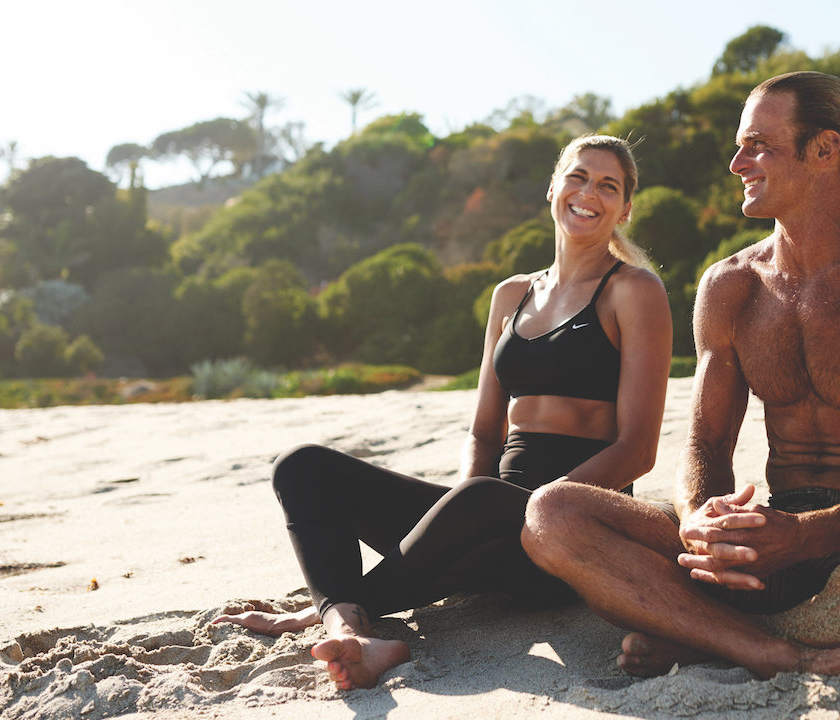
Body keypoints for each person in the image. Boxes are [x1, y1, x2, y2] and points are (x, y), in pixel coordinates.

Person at [521, 72, 840, 702]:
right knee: (552, 510)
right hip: (764, 540)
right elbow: (705, 446)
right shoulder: (731, 286)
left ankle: (721, 636)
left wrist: (808, 535)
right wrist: (702, 518)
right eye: (739, 145)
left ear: (825, 149)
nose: (736, 163)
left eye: (757, 145)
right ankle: (772, 648)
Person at [213, 134, 672, 691]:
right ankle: (355, 625)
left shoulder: (633, 291)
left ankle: (340, 612)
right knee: (301, 465)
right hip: (489, 521)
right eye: (577, 177)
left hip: (572, 535)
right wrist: (459, 519)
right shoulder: (512, 295)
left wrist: (532, 511)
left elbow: (637, 450)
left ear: (625, 209)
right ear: (553, 187)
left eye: (608, 186)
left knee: (481, 501)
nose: (588, 193)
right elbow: (484, 431)